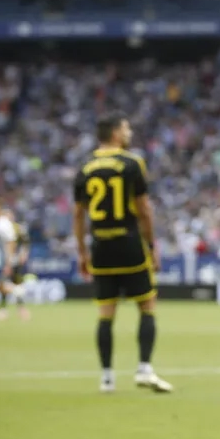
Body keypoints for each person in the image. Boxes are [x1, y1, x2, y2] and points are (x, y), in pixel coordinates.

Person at [72, 113, 172, 394]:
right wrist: (152, 246)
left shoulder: (85, 167)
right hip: (128, 243)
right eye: (126, 128)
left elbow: (78, 215)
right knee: (147, 305)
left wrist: (82, 252)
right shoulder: (132, 163)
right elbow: (144, 209)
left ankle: (106, 378)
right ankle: (144, 368)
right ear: (115, 133)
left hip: (101, 246)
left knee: (106, 313)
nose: (129, 132)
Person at [0, 208, 32, 321]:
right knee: (4, 285)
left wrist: (24, 254)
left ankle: (21, 309)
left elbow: (26, 243)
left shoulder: (18, 228)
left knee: (15, 282)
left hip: (15, 260)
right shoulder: (0, 229)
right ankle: (3, 309)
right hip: (4, 260)